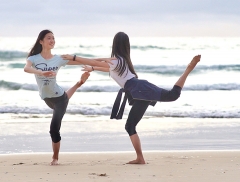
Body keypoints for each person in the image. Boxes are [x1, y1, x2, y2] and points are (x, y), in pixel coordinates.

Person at [61, 32, 201, 164]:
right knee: (171, 97)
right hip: (140, 89)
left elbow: (96, 62)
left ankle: (140, 158)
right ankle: (140, 158)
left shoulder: (116, 61)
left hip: (139, 90)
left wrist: (74, 58)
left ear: (114, 44)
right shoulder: (121, 61)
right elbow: (101, 65)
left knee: (131, 125)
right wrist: (91, 68)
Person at [23, 29, 90, 165]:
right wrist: (41, 72)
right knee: (64, 98)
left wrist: (97, 64)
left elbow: (80, 62)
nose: (52, 40)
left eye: (53, 38)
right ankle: (79, 84)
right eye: (49, 38)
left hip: (59, 98)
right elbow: (26, 69)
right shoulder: (33, 59)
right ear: (41, 41)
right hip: (48, 98)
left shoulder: (58, 59)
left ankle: (55, 158)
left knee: (54, 128)